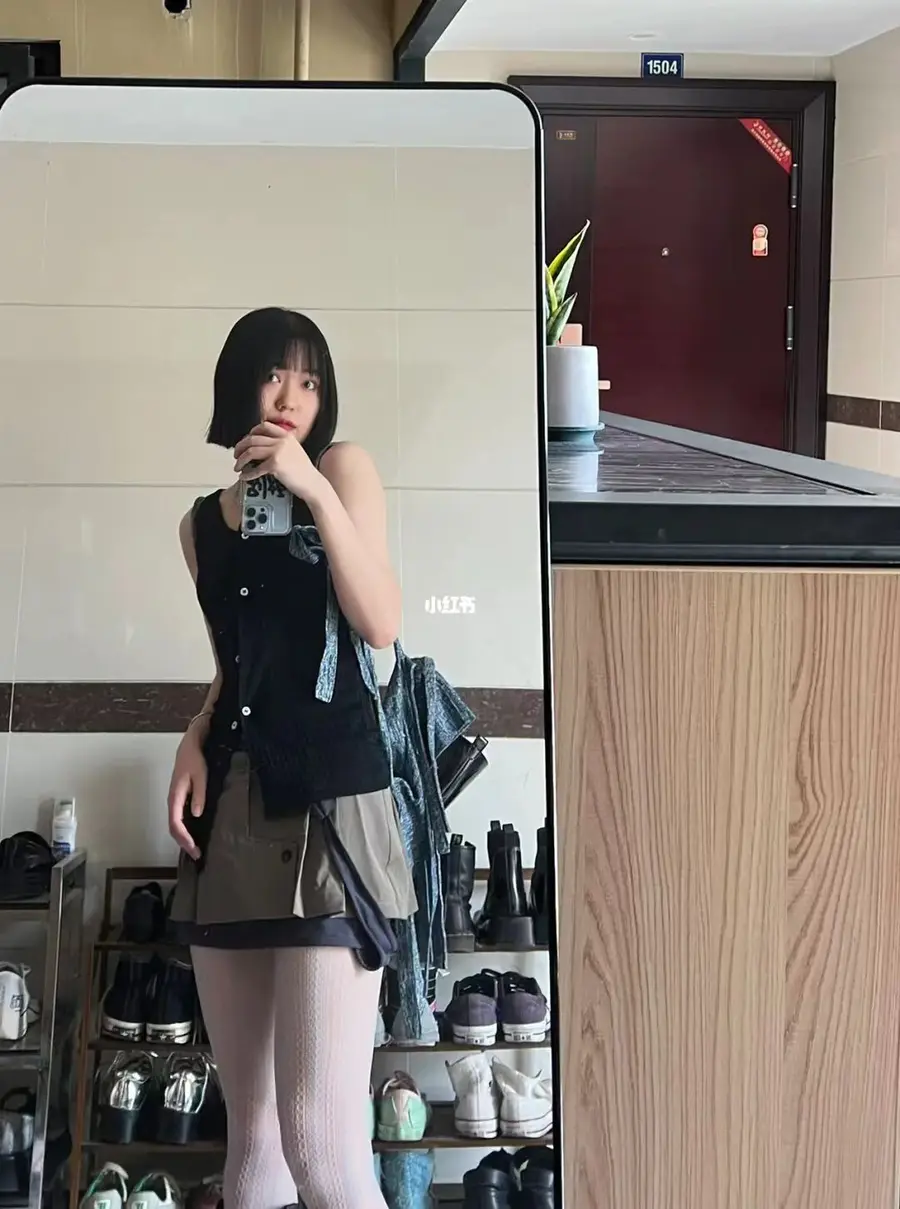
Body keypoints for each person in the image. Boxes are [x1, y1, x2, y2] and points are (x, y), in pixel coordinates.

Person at [166, 307, 417, 1209]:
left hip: (330, 803)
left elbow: (380, 622)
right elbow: (235, 669)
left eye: (309, 379)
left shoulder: (343, 469)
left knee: (322, 1141)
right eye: (275, 373)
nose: (291, 396)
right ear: (240, 381)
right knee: (255, 1146)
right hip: (230, 809)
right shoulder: (200, 526)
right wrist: (194, 732)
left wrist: (311, 485)